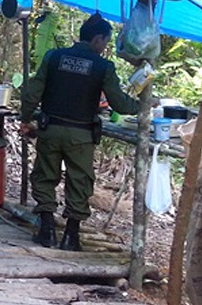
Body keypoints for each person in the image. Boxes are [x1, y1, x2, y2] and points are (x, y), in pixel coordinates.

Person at [19, 13, 140, 251]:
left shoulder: (54, 57)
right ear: (97, 39)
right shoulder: (103, 66)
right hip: (81, 135)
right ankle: (71, 237)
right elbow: (120, 104)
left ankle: (47, 231)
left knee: (44, 176)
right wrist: (143, 104)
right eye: (105, 42)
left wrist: (25, 118)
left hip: (50, 129)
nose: (104, 47)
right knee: (79, 181)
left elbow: (32, 93)